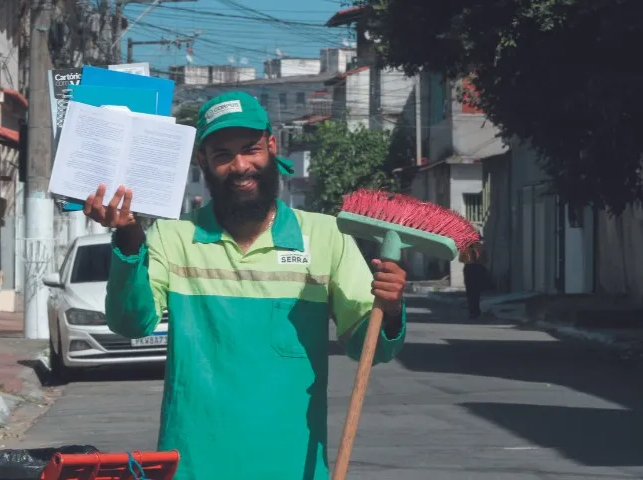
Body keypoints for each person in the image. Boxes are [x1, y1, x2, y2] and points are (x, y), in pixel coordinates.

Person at [83, 91, 408, 479]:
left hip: (294, 467)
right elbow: (131, 323)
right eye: (223, 155)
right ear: (202, 160)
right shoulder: (173, 237)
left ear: (271, 146)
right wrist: (129, 237)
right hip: (193, 466)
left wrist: (390, 309)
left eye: (250, 150)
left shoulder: (327, 237)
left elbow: (368, 346)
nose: (240, 166)